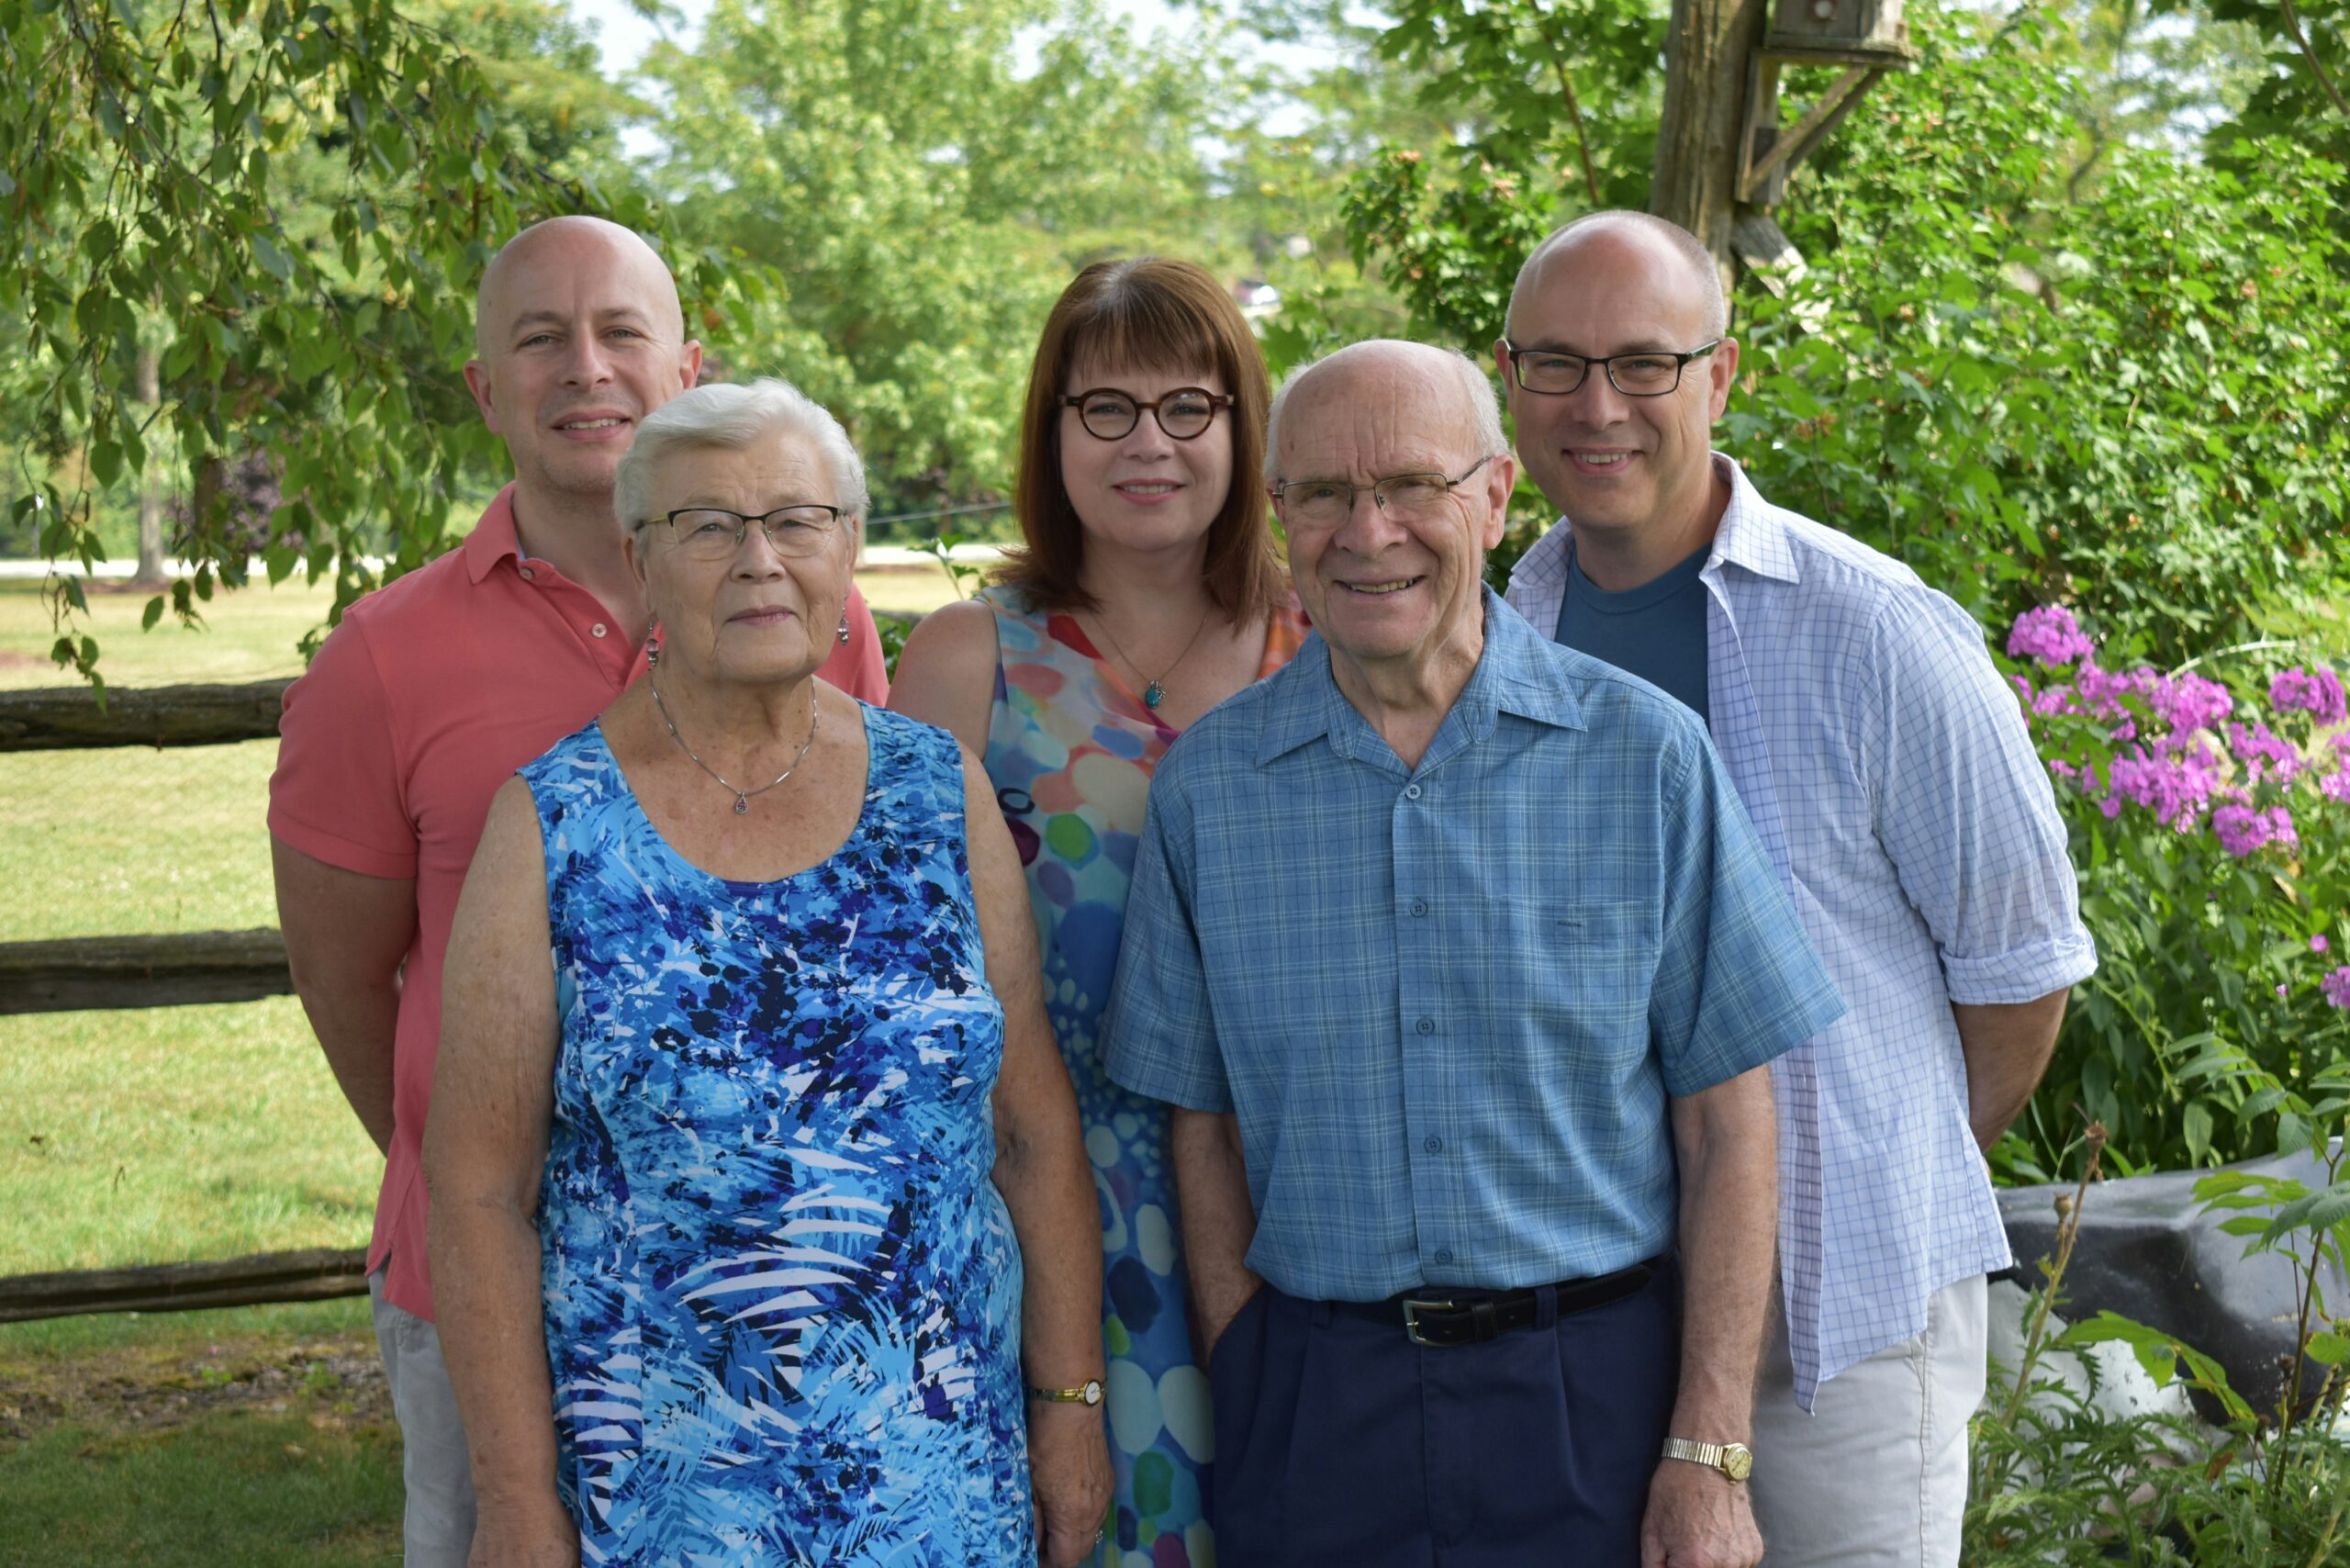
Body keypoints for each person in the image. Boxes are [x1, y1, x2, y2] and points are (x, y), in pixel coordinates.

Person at [1102, 339, 1849, 1568]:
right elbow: (1206, 1129)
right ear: (1281, 515)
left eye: (1413, 485)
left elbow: (1729, 1125)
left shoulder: (1648, 762)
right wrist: (1254, 1372)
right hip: (1316, 1410)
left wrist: (1709, 1448)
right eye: (1324, 494)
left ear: (1497, 497)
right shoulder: (1208, 793)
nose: (1369, 532)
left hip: (1592, 1403)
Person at [266, 217, 889, 1565]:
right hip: (495, 1283)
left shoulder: (817, 615)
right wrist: (471, 1177)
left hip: (779, 1277)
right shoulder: (381, 659)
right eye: (540, 338)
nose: (585, 367)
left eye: (620, 331)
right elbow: (343, 978)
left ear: (687, 367)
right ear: (486, 388)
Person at [424, 377, 1112, 1566]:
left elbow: (1033, 1131)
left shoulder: (937, 793)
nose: (760, 561)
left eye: (797, 520)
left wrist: (1071, 1406)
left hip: (940, 1489)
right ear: (641, 561)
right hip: (661, 1507)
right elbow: (478, 1190)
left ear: (846, 547)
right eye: (707, 526)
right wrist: (516, 1497)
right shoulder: (553, 825)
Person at [1496, 211, 2098, 1567]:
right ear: (1510, 378)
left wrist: (1855, 1181)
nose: (1598, 405)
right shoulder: (1510, 627)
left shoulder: (1876, 631)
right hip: (1586, 1315)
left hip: (1840, 1327)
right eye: (1558, 364)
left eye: (1645, 363)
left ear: (1722, 374)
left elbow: (2020, 978)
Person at [890, 256, 1307, 1566]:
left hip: (1299, 1235)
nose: (1149, 444)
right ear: (1052, 429)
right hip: (1048, 1234)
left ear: (1245, 427)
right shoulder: (967, 663)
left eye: (1189, 407)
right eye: (1106, 408)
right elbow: (905, 1006)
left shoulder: (1327, 648)